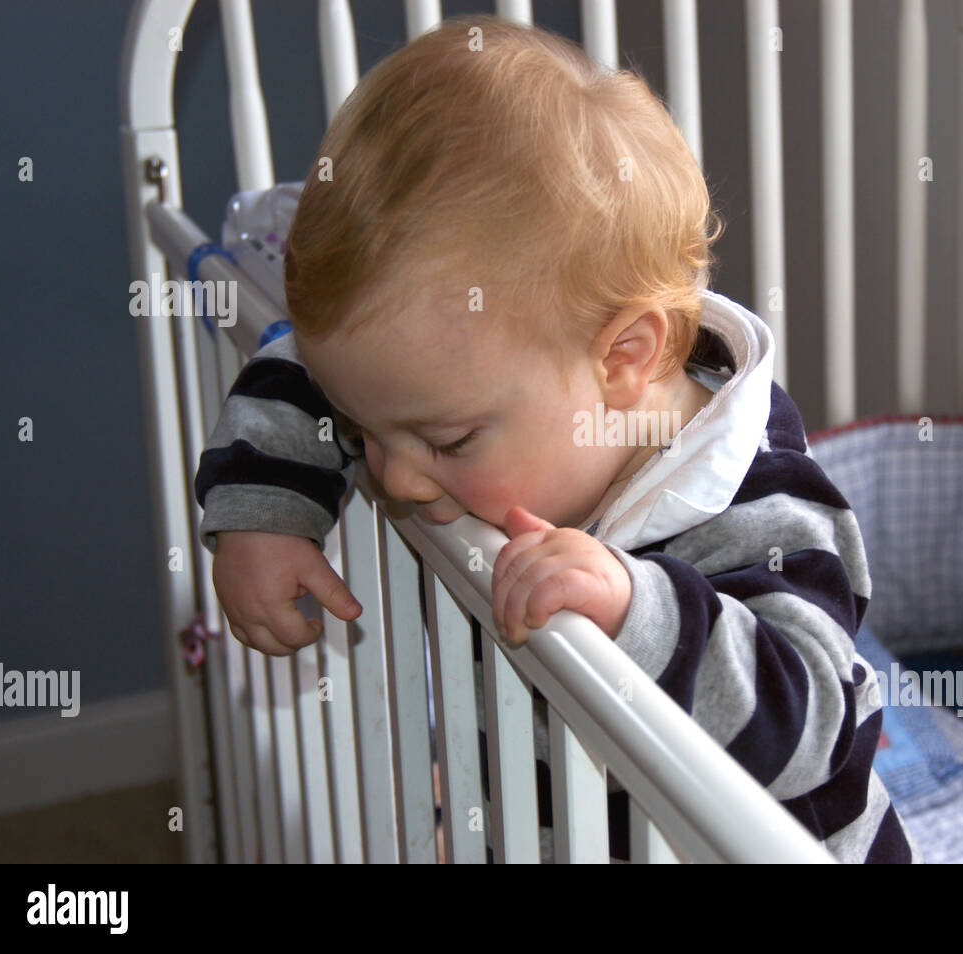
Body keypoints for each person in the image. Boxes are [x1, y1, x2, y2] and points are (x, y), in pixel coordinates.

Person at [194, 13, 919, 864]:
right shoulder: (436, 397)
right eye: (362, 429)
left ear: (626, 358)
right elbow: (301, 365)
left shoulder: (759, 503)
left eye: (448, 440)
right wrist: (265, 513)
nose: (397, 476)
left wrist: (631, 607)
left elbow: (817, 725)